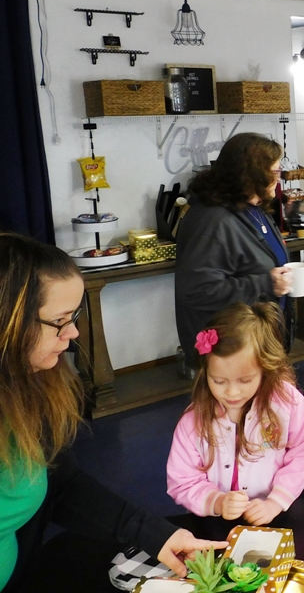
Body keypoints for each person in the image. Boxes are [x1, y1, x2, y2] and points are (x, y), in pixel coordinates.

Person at [0, 233, 224, 593]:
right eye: (59, 321)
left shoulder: (29, 387)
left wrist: (157, 535)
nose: (73, 332)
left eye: (74, 316)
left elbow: (62, 484)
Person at [166, 302, 304, 526]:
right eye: (219, 381)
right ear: (205, 373)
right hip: (218, 522)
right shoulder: (193, 422)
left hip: (277, 514)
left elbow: (303, 453)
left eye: (245, 380)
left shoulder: (289, 403)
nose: (232, 392)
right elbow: (182, 481)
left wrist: (275, 502)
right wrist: (217, 502)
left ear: (265, 369)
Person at [175, 132, 292, 375]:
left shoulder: (253, 208)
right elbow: (197, 290)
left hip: (258, 337)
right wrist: (266, 283)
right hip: (232, 348)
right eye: (274, 172)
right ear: (252, 174)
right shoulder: (213, 220)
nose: (278, 179)